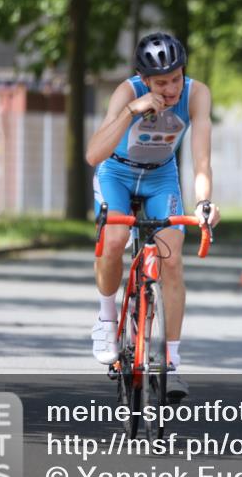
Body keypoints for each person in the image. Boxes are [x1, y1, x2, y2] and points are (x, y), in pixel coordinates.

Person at [86, 32, 220, 396]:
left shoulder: (197, 94)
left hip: (162, 177)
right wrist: (132, 110)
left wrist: (204, 203)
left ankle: (172, 362)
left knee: (172, 259)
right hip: (117, 173)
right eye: (162, 82)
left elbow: (202, 161)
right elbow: (94, 155)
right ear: (144, 80)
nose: (172, 87)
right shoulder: (126, 92)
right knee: (113, 239)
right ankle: (106, 318)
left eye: (177, 77)